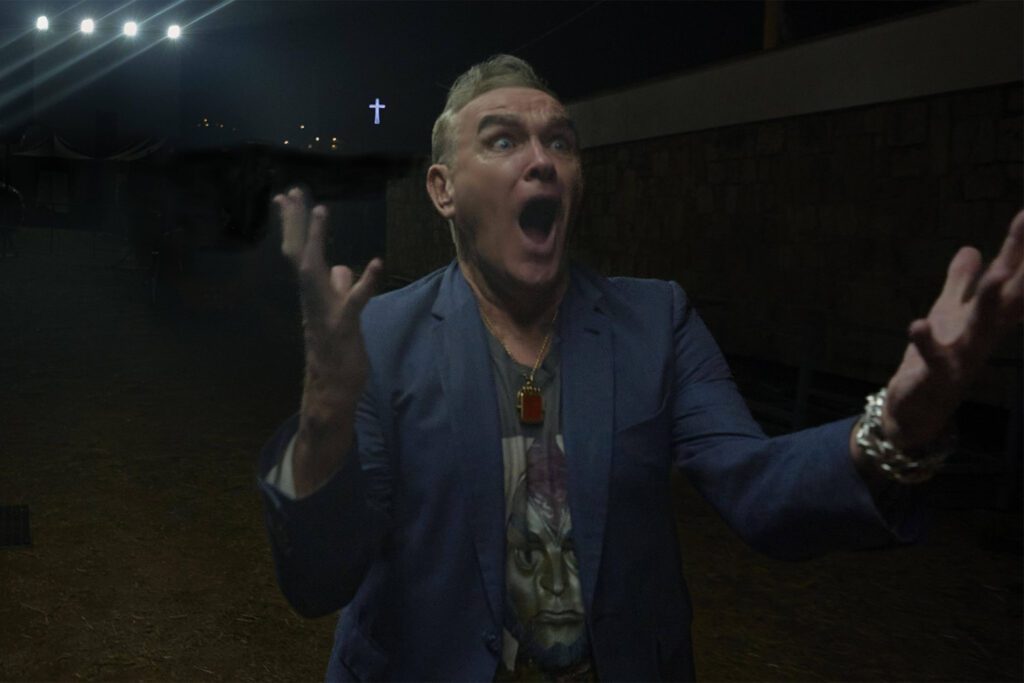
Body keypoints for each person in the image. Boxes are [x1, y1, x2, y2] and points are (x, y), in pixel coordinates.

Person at [258, 55, 1023, 681]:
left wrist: (898, 426)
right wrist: (324, 414)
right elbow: (320, 579)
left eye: (560, 142)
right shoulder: (382, 334)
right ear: (443, 189)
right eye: (502, 141)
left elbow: (760, 490)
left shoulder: (656, 320)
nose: (541, 161)